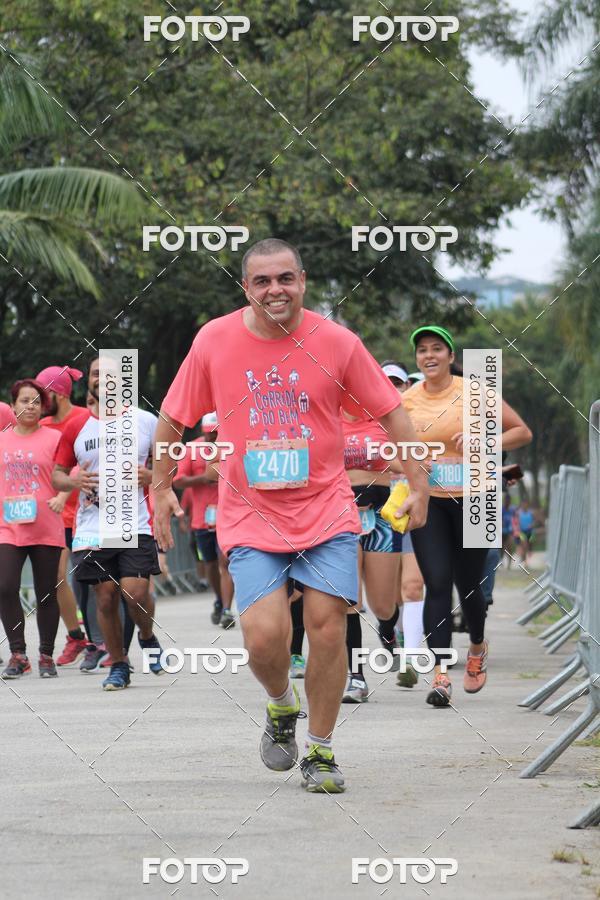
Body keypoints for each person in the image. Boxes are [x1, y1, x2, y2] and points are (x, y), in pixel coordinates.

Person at [152, 238, 429, 793]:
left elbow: (392, 412)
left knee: (327, 628)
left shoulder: (338, 342)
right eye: (262, 281)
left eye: (285, 278)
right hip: (249, 513)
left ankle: (321, 750)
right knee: (263, 638)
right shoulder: (214, 340)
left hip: (326, 508)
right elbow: (173, 416)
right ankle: (281, 703)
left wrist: (418, 482)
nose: (274, 290)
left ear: (302, 281)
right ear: (246, 289)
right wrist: (160, 486)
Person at [402, 326, 532, 707]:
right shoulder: (407, 400)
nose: (429, 356)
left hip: (476, 499)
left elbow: (522, 432)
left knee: (470, 586)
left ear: (450, 356)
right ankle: (440, 675)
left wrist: (485, 442)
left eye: (436, 349)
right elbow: (390, 448)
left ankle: (477, 645)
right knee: (437, 582)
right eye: (422, 350)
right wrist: (412, 461)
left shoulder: (475, 392)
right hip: (431, 501)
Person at [51, 357, 164, 690]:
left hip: (134, 522)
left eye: (109, 373)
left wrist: (151, 475)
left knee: (135, 592)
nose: (102, 378)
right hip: (91, 526)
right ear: (90, 382)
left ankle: (147, 635)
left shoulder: (145, 421)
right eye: (96, 374)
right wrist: (73, 481)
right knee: (104, 597)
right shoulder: (77, 426)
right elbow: (57, 475)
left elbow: (170, 464)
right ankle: (118, 664)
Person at [0, 380, 64, 678]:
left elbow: (72, 472)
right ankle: (18, 653)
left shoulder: (55, 438)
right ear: (13, 405)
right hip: (8, 525)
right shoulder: (2, 439)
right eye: (25, 400)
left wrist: (62, 496)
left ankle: (46, 655)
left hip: (45, 525)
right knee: (5, 586)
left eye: (37, 401)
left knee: (46, 592)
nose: (31, 406)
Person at [341, 407, 404, 703]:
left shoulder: (384, 419)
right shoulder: (327, 416)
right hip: (341, 511)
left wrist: (388, 458)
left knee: (382, 605)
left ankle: (388, 630)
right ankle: (356, 677)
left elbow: (408, 461)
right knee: (349, 600)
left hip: (381, 513)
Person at [37, 365, 92, 665]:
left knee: (93, 582)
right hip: (53, 518)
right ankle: (76, 636)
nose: (38, 402)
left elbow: (83, 462)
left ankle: (101, 643)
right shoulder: (42, 426)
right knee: (56, 577)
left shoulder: (85, 418)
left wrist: (61, 494)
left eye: (42, 395)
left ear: (58, 394)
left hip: (86, 513)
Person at [383, 363, 425, 689]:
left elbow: (426, 461)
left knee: (412, 585)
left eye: (398, 383)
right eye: (386, 383)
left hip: (410, 509)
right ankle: (393, 631)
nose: (393, 388)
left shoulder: (417, 418)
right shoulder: (365, 422)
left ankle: (410, 658)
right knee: (388, 593)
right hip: (377, 515)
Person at [173, 412, 235, 628]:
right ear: (202, 431)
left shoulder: (231, 445)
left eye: (216, 433)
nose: (212, 437)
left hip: (228, 516)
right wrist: (204, 478)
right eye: (209, 433)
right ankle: (219, 599)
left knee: (225, 562)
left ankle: (227, 610)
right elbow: (178, 481)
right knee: (210, 563)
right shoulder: (191, 449)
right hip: (202, 520)